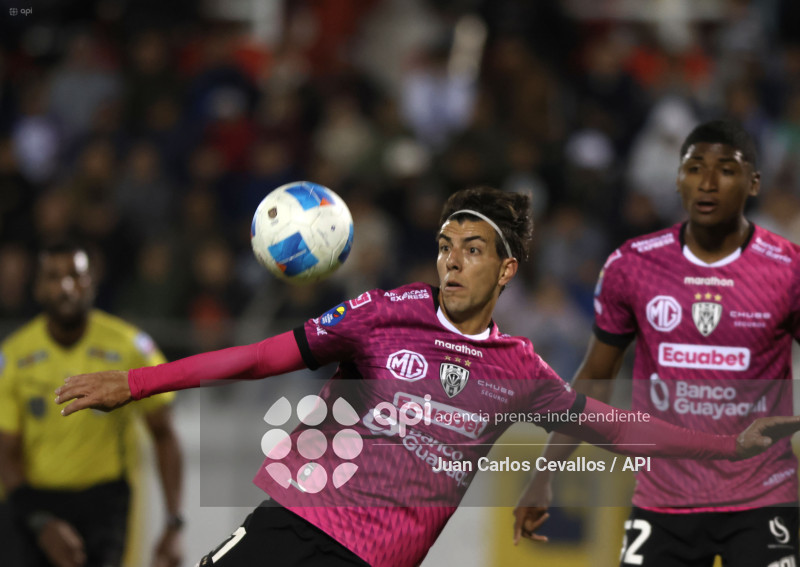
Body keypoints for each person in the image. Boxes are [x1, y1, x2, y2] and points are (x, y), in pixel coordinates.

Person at [55, 186, 800, 567]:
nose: (451, 259)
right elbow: (260, 357)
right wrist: (138, 381)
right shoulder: (385, 312)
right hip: (297, 522)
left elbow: (619, 425)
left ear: (506, 268)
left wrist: (728, 444)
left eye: (472, 248)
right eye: (446, 244)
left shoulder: (520, 370)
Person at [514, 119, 800, 566]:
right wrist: (544, 473)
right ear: (677, 178)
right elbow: (595, 379)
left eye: (726, 169)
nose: (707, 182)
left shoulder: (787, 269)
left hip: (763, 499)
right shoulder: (633, 266)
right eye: (693, 168)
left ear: (754, 183)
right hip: (664, 502)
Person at [0, 241, 184, 567]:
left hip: (103, 504)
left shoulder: (129, 348)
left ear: (93, 283)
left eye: (75, 275)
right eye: (53, 277)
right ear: (38, 287)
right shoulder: (13, 356)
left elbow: (164, 434)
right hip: (33, 503)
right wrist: (41, 522)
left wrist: (173, 525)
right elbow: (5, 454)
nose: (65, 286)